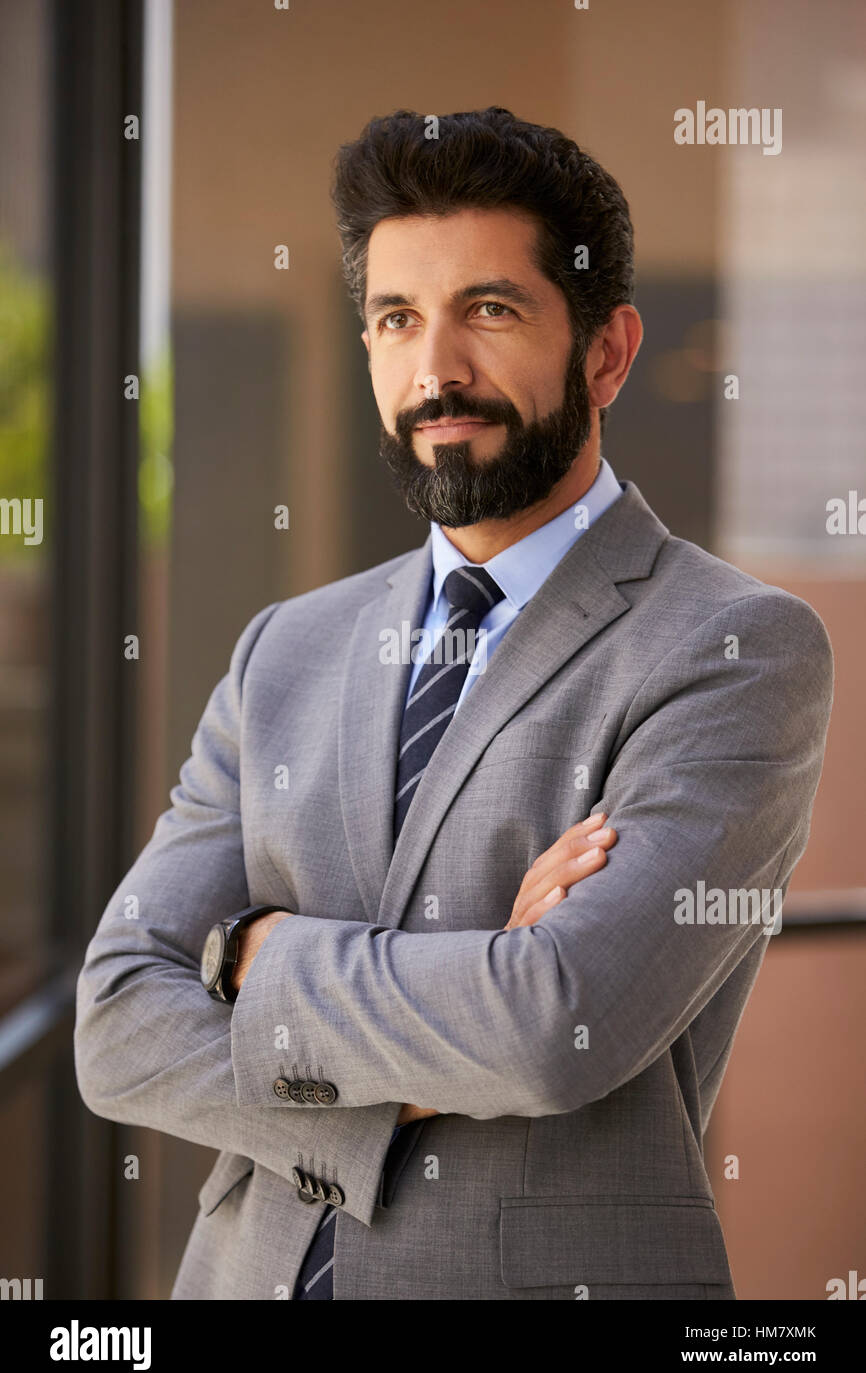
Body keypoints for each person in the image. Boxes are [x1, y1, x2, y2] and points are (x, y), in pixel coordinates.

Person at [74, 107, 833, 1300]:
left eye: (488, 310)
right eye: (395, 319)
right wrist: (465, 991)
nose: (435, 371)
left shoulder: (734, 646)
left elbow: (552, 1023)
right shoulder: (287, 648)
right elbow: (117, 1025)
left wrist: (251, 958)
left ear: (604, 352)